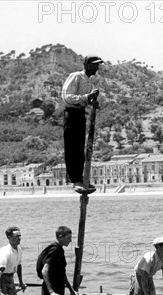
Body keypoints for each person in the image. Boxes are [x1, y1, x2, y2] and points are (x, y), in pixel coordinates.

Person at [61, 54, 103, 192]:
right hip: (71, 113)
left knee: (80, 148)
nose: (97, 67)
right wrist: (87, 96)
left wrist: (92, 101)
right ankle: (75, 180)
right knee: (72, 147)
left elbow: (84, 101)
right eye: (94, 64)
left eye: (98, 65)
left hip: (80, 113)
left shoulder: (89, 82)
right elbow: (67, 97)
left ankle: (82, 179)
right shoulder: (76, 76)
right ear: (86, 65)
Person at [38, 226, 78, 295]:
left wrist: (71, 290)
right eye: (69, 237)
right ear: (60, 237)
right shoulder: (54, 249)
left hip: (58, 292)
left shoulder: (59, 250)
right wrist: (51, 292)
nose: (71, 240)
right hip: (51, 294)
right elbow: (44, 271)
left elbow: (62, 274)